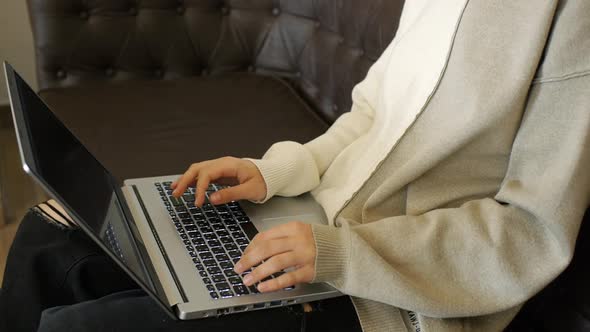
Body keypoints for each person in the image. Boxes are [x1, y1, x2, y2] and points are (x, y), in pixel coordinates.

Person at [1, 0, 589, 331]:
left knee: (76, 329)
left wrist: (340, 254)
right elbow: (371, 116)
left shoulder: (571, 18)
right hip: (306, 226)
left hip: (390, 297)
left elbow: (530, 230)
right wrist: (277, 172)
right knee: (46, 240)